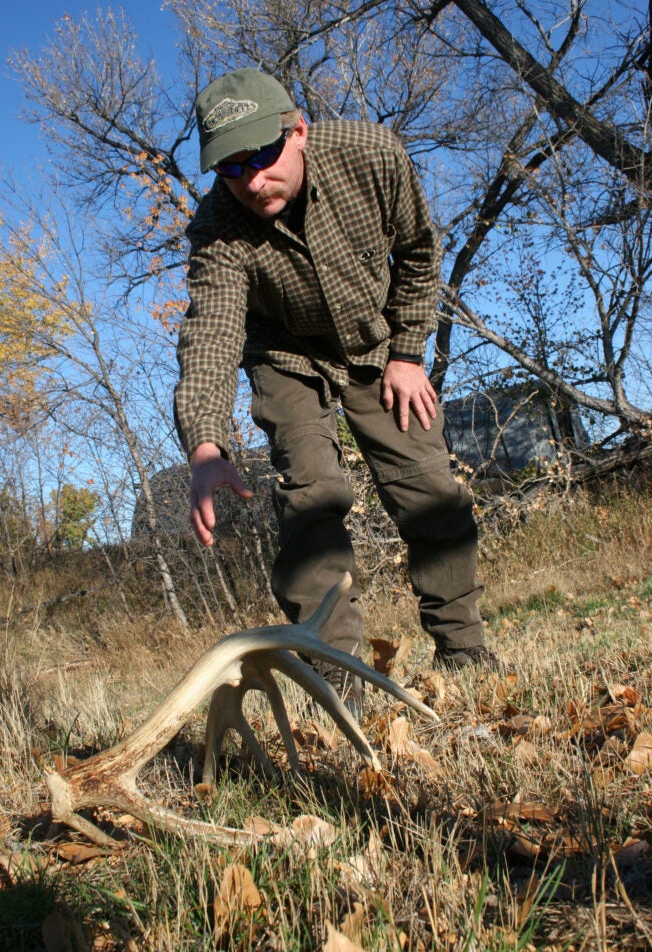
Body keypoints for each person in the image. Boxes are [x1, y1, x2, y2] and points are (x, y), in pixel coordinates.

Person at [174, 68, 497, 717]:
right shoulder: (217, 227)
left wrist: (408, 353)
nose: (251, 179)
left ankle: (463, 650)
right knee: (311, 498)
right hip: (285, 354)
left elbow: (416, 252)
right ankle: (342, 679)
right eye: (230, 168)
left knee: (430, 488)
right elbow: (210, 330)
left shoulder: (370, 155)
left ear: (297, 129)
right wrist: (205, 441)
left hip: (376, 344)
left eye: (262, 155)